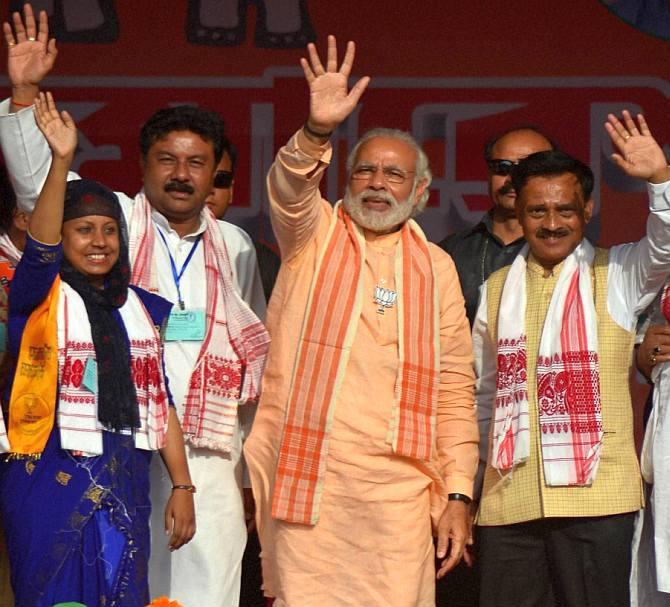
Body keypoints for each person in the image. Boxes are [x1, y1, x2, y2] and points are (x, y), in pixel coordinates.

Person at [0, 6, 270, 606]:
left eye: (197, 163)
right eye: (167, 161)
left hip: (202, 450)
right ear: (143, 166)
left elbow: (252, 357)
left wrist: (245, 461)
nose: (181, 175)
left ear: (214, 173)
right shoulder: (111, 217)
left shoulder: (235, 245)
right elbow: (38, 192)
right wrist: (23, 95)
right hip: (104, 442)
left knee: (209, 593)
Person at [244, 36, 479, 606]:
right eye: (366, 171)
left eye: (394, 175)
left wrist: (456, 494)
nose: (378, 183)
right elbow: (290, 190)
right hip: (311, 480)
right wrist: (317, 132)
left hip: (399, 494)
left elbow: (454, 389)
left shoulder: (438, 268)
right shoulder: (314, 235)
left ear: (420, 192)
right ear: (346, 183)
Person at [0, 91, 195, 607]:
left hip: (124, 478)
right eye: (83, 229)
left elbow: (162, 399)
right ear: (62, 237)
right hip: (45, 476)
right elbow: (38, 250)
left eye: (110, 230)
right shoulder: (37, 297)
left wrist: (183, 485)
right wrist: (62, 160)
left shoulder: (145, 309)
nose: (99, 241)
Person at [473, 112, 670, 607]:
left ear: (587, 209)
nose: (552, 223)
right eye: (538, 211)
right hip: (509, 503)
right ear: (518, 211)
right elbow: (484, 397)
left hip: (598, 501)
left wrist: (660, 181)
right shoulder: (495, 290)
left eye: (565, 210)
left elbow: (665, 246)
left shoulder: (619, 272)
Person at [439, 126, 557, 326]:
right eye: (503, 167)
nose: (512, 179)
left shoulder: (576, 254)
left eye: (529, 169)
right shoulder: (450, 252)